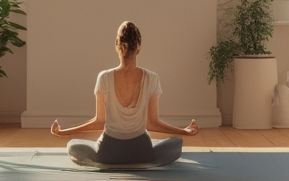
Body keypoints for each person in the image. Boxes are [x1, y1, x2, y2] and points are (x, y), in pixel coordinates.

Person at [51, 20, 199, 168]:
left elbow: (100, 121)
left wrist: (64, 133)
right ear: (138, 47)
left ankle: (106, 163)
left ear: (117, 46)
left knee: (73, 146)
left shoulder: (104, 77)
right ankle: (145, 163)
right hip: (141, 151)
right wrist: (184, 131)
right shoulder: (152, 77)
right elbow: (152, 123)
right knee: (175, 144)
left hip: (108, 152)